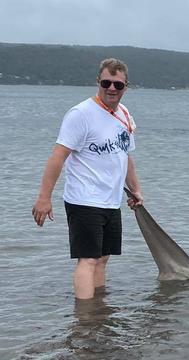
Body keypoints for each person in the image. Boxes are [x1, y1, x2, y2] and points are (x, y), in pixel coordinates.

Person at [32, 58, 144, 300]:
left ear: (126, 86)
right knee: (88, 259)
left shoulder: (124, 115)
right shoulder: (80, 114)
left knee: (103, 258)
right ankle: (84, 320)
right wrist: (44, 198)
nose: (112, 89)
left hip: (111, 200)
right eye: (107, 82)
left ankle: (98, 311)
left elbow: (125, 156)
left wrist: (135, 189)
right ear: (98, 82)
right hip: (84, 199)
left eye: (118, 85)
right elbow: (57, 157)